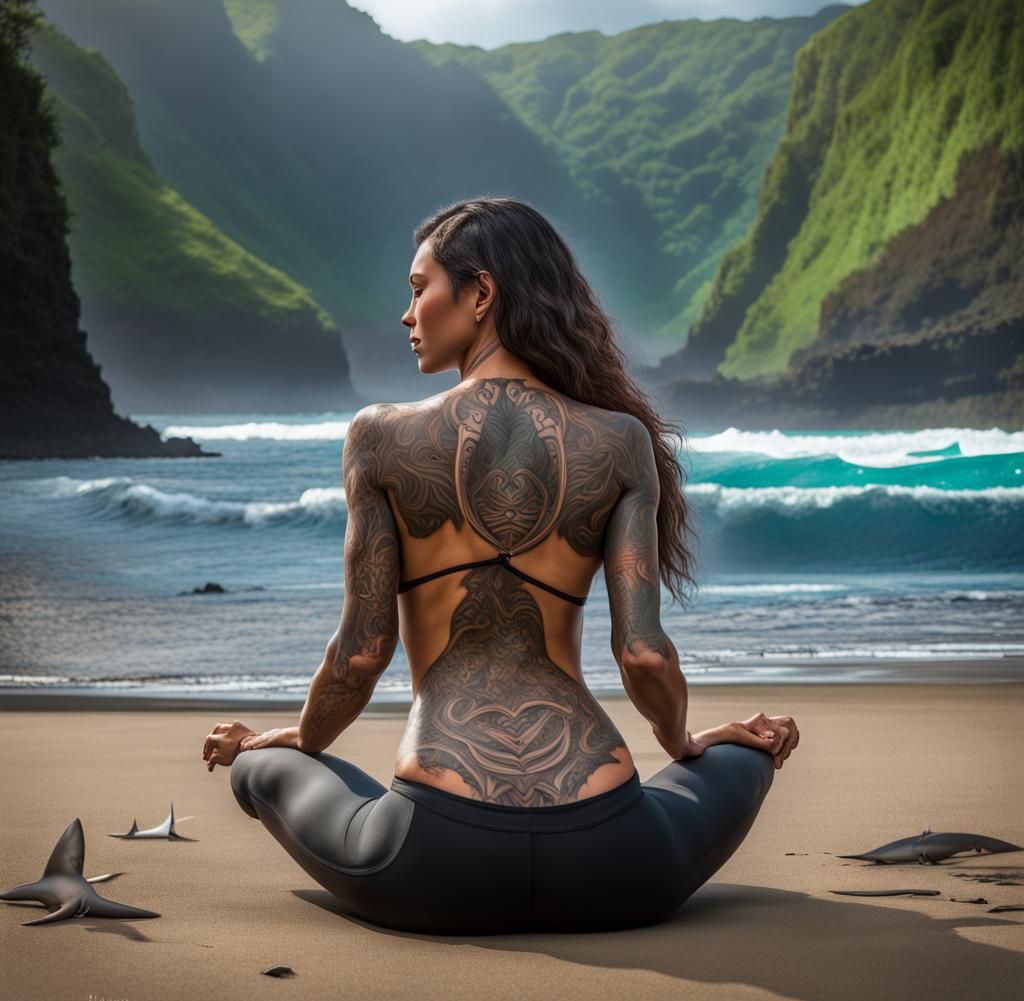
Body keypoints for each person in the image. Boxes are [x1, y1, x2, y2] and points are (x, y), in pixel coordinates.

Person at [204, 197, 799, 935]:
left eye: (419, 287)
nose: (406, 312)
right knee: (742, 758)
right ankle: (728, 753)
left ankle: (269, 761)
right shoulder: (621, 442)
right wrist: (685, 745)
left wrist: (300, 736)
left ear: (481, 294)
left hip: (436, 861)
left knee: (263, 769)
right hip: (615, 860)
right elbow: (644, 654)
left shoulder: (381, 437)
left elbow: (361, 655)